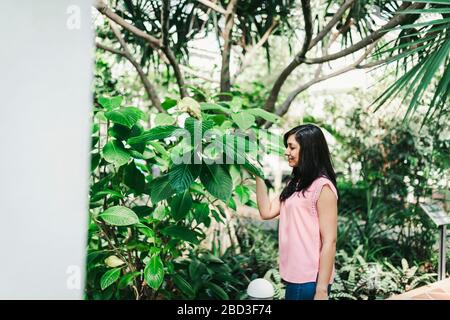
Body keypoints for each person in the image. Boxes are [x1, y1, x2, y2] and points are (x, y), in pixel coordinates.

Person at [255, 124, 338, 300]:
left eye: (292, 147)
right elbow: (266, 212)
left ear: (309, 150)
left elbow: (330, 241)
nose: (286, 151)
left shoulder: (323, 187)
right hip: (295, 275)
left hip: (310, 279)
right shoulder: (296, 184)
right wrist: (257, 173)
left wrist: (321, 290)